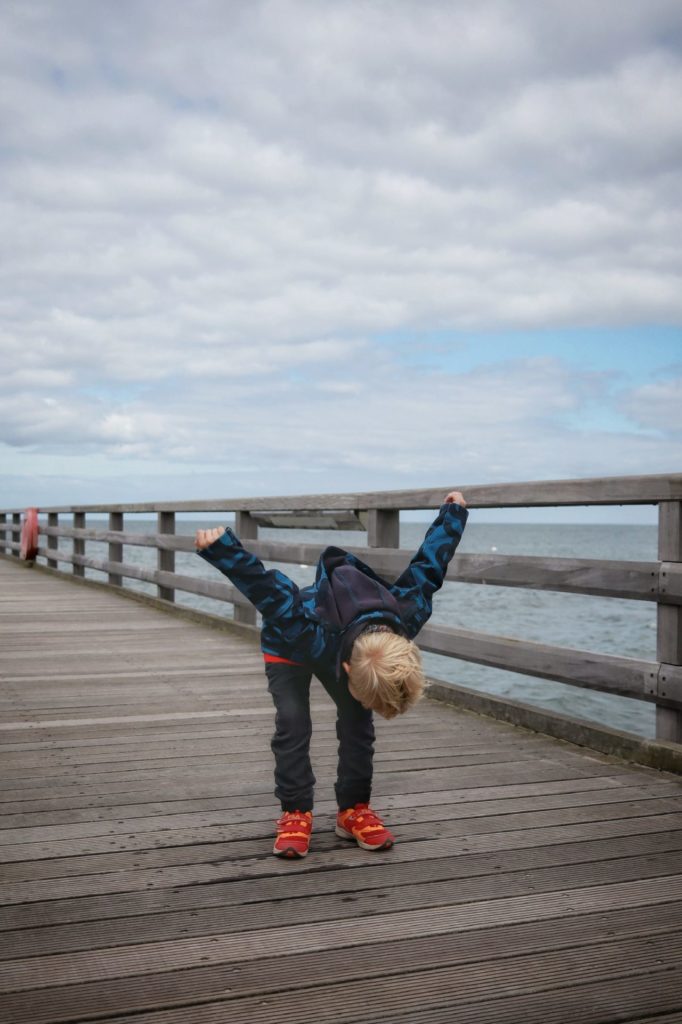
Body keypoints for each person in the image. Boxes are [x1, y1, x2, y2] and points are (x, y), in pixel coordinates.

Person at [195, 490, 468, 859]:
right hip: (289, 644)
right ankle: (295, 810)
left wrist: (452, 515)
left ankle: (353, 809)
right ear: (345, 671)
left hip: (343, 640)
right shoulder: (302, 623)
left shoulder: (406, 615)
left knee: (358, 723)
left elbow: (429, 567)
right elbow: (267, 589)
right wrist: (221, 549)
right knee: (293, 722)